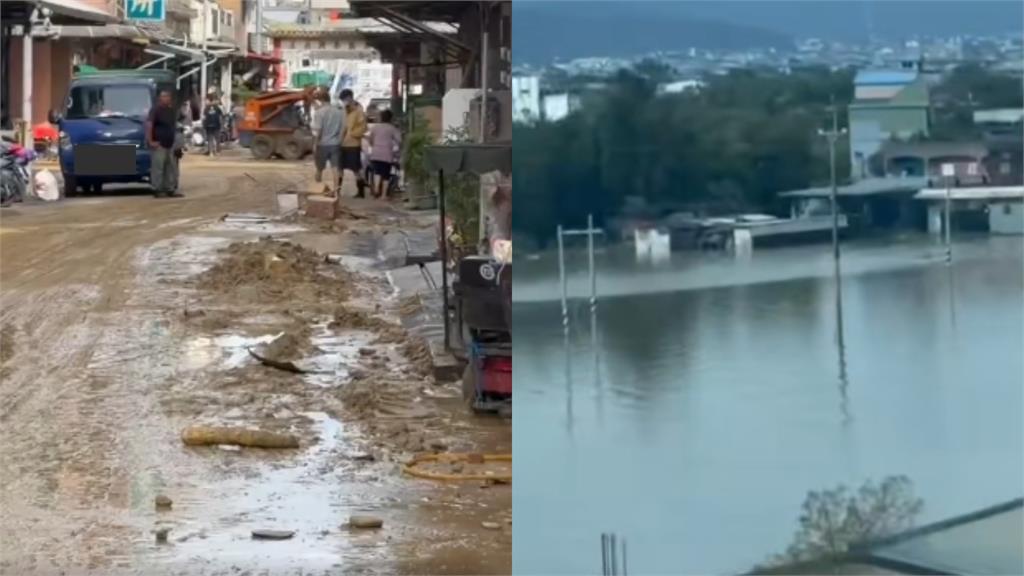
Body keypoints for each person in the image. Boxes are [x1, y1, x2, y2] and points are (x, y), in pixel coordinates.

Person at [147, 89, 180, 198]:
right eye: (164, 96)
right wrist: (151, 141)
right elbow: (149, 125)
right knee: (158, 168)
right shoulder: (155, 110)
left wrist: (176, 142)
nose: (167, 98)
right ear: (160, 98)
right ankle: (157, 189)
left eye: (168, 96)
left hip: (170, 143)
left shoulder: (170, 110)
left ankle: (170, 188)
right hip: (159, 144)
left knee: (170, 168)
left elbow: (173, 126)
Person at [310, 91, 344, 195]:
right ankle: (336, 191)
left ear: (320, 100)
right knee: (335, 168)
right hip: (335, 143)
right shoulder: (338, 112)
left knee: (319, 169)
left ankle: (318, 190)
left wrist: (315, 144)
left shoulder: (319, 112)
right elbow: (342, 129)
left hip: (322, 144)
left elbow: (318, 130)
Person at [338, 89, 368, 198]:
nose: (344, 102)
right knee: (340, 169)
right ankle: (337, 191)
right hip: (343, 144)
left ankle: (360, 192)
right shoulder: (345, 110)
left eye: (344, 99)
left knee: (356, 170)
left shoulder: (359, 111)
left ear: (350, 98)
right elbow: (343, 127)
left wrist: (352, 134)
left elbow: (363, 127)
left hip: (353, 145)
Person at [367, 109, 402, 199]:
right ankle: (383, 195)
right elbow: (399, 140)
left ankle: (376, 189)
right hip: (387, 154)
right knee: (386, 174)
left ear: (381, 118)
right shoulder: (392, 128)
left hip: (376, 152)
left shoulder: (375, 128)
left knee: (377, 172)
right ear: (391, 118)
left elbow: (370, 139)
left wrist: (374, 145)